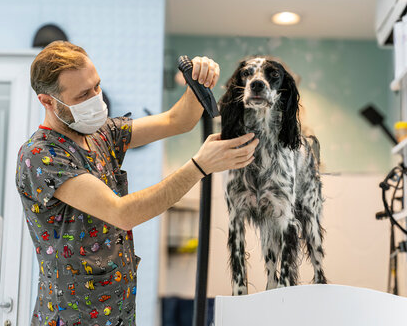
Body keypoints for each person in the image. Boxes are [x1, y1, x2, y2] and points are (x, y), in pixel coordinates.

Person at [15, 41, 258, 326]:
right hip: (71, 318)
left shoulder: (101, 134)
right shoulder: (41, 154)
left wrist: (198, 82)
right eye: (83, 94)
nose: (96, 97)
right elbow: (122, 213)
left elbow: (177, 120)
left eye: (96, 86)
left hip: (119, 313)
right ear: (48, 101)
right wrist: (199, 167)